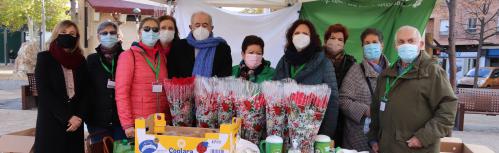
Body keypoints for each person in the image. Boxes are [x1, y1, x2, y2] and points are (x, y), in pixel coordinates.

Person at [368, 26, 457, 153]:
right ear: (395, 46)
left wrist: (424, 137)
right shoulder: (386, 74)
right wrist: (373, 138)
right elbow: (376, 109)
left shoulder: (432, 71)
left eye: (411, 41)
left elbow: (448, 110)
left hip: (416, 148)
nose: (405, 45)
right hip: (387, 147)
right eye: (401, 42)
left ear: (420, 44)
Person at [273, 19, 339, 139]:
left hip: (311, 133)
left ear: (312, 37)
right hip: (283, 131)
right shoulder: (284, 60)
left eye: (305, 34)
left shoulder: (324, 63)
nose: (300, 36)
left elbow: (332, 102)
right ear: (291, 37)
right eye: (297, 33)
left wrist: (326, 135)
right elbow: (273, 91)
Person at [34, 20, 89, 153]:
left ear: (77, 38)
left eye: (72, 33)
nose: (67, 35)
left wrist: (79, 117)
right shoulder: (44, 58)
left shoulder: (81, 61)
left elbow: (86, 92)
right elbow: (44, 92)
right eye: (63, 32)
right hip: (52, 121)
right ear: (56, 34)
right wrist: (67, 117)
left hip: (75, 124)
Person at [115, 17, 171, 138]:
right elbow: (121, 93)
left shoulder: (162, 57)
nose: (151, 32)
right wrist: (127, 124)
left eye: (155, 30)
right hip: (140, 124)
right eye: (147, 29)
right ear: (139, 32)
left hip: (161, 123)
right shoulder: (128, 56)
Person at [339, 28, 389, 151]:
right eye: (367, 43)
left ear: (382, 45)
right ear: (362, 46)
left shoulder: (393, 71)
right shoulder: (355, 70)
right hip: (358, 137)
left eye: (375, 42)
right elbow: (342, 100)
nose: (371, 45)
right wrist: (366, 110)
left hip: (386, 134)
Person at [86, 21, 126, 145]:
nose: (109, 35)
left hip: (121, 121)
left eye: (112, 33)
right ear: (98, 36)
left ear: (117, 35)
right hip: (97, 122)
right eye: (105, 33)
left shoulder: (126, 57)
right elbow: (86, 89)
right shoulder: (92, 59)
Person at [168, 11, 232, 78]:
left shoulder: (222, 48)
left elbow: (226, 76)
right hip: (184, 88)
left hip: (213, 88)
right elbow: (172, 74)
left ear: (211, 28)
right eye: (197, 25)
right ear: (191, 27)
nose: (201, 28)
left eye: (205, 25)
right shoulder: (178, 46)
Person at [324, 23, 356, 146]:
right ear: (326, 40)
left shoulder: (350, 63)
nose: (336, 42)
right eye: (332, 38)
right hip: (319, 113)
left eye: (340, 39)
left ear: (344, 43)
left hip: (341, 118)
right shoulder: (316, 59)